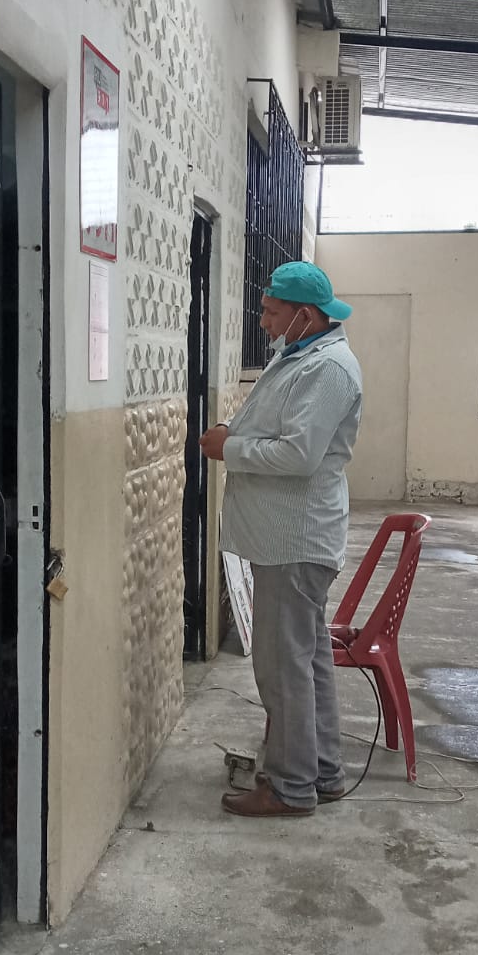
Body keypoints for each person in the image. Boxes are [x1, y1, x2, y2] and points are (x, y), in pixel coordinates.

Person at [200, 261, 362, 818]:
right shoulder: (298, 354)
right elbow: (275, 424)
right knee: (306, 660)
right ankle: (323, 772)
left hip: (295, 541)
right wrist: (234, 432)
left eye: (272, 313)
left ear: (304, 315)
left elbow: (298, 454)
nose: (264, 322)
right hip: (285, 538)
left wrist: (229, 449)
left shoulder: (329, 369)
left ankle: (291, 788)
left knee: (282, 668)